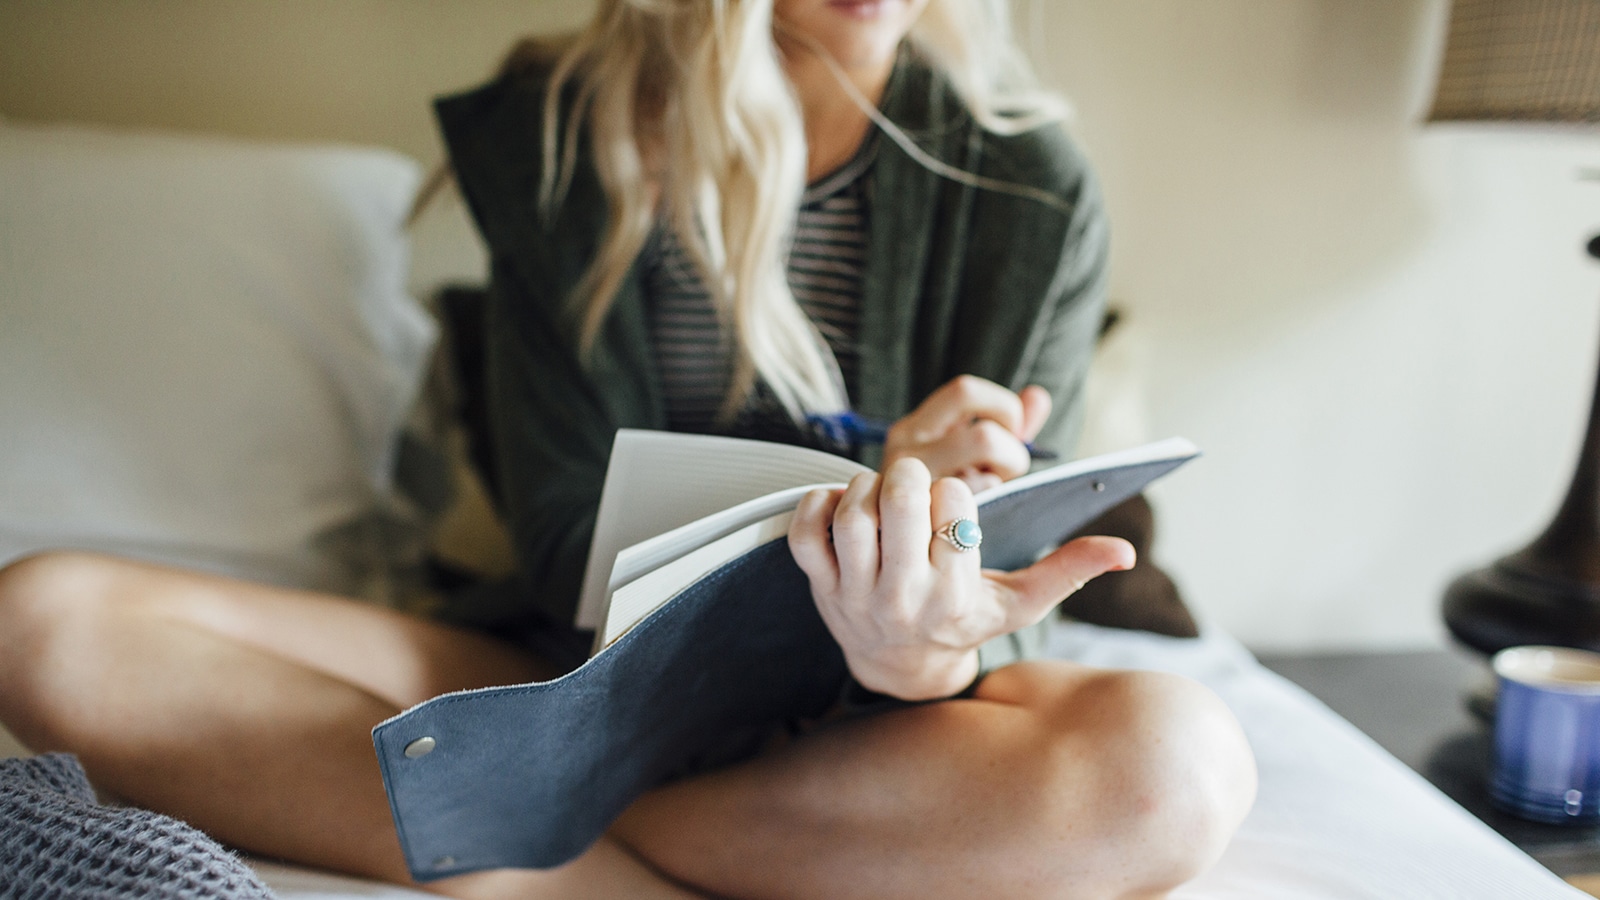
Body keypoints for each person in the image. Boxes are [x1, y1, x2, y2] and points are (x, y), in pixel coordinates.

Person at [0, 1, 1257, 897]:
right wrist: (884, 465)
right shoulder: (567, 136)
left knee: (1174, 773)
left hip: (870, 731)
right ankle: (594, 852)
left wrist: (921, 643)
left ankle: (549, 841)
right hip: (584, 681)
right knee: (41, 619)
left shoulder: (1026, 182)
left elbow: (1007, 602)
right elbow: (562, 549)